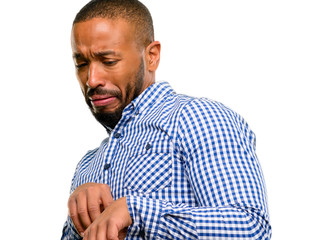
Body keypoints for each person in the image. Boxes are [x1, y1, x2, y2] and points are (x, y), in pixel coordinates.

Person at [61, 0, 272, 239]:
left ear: (152, 56)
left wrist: (136, 211)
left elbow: (250, 228)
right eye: (81, 63)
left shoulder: (198, 118)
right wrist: (77, 220)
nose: (91, 79)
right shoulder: (88, 165)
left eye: (109, 61)